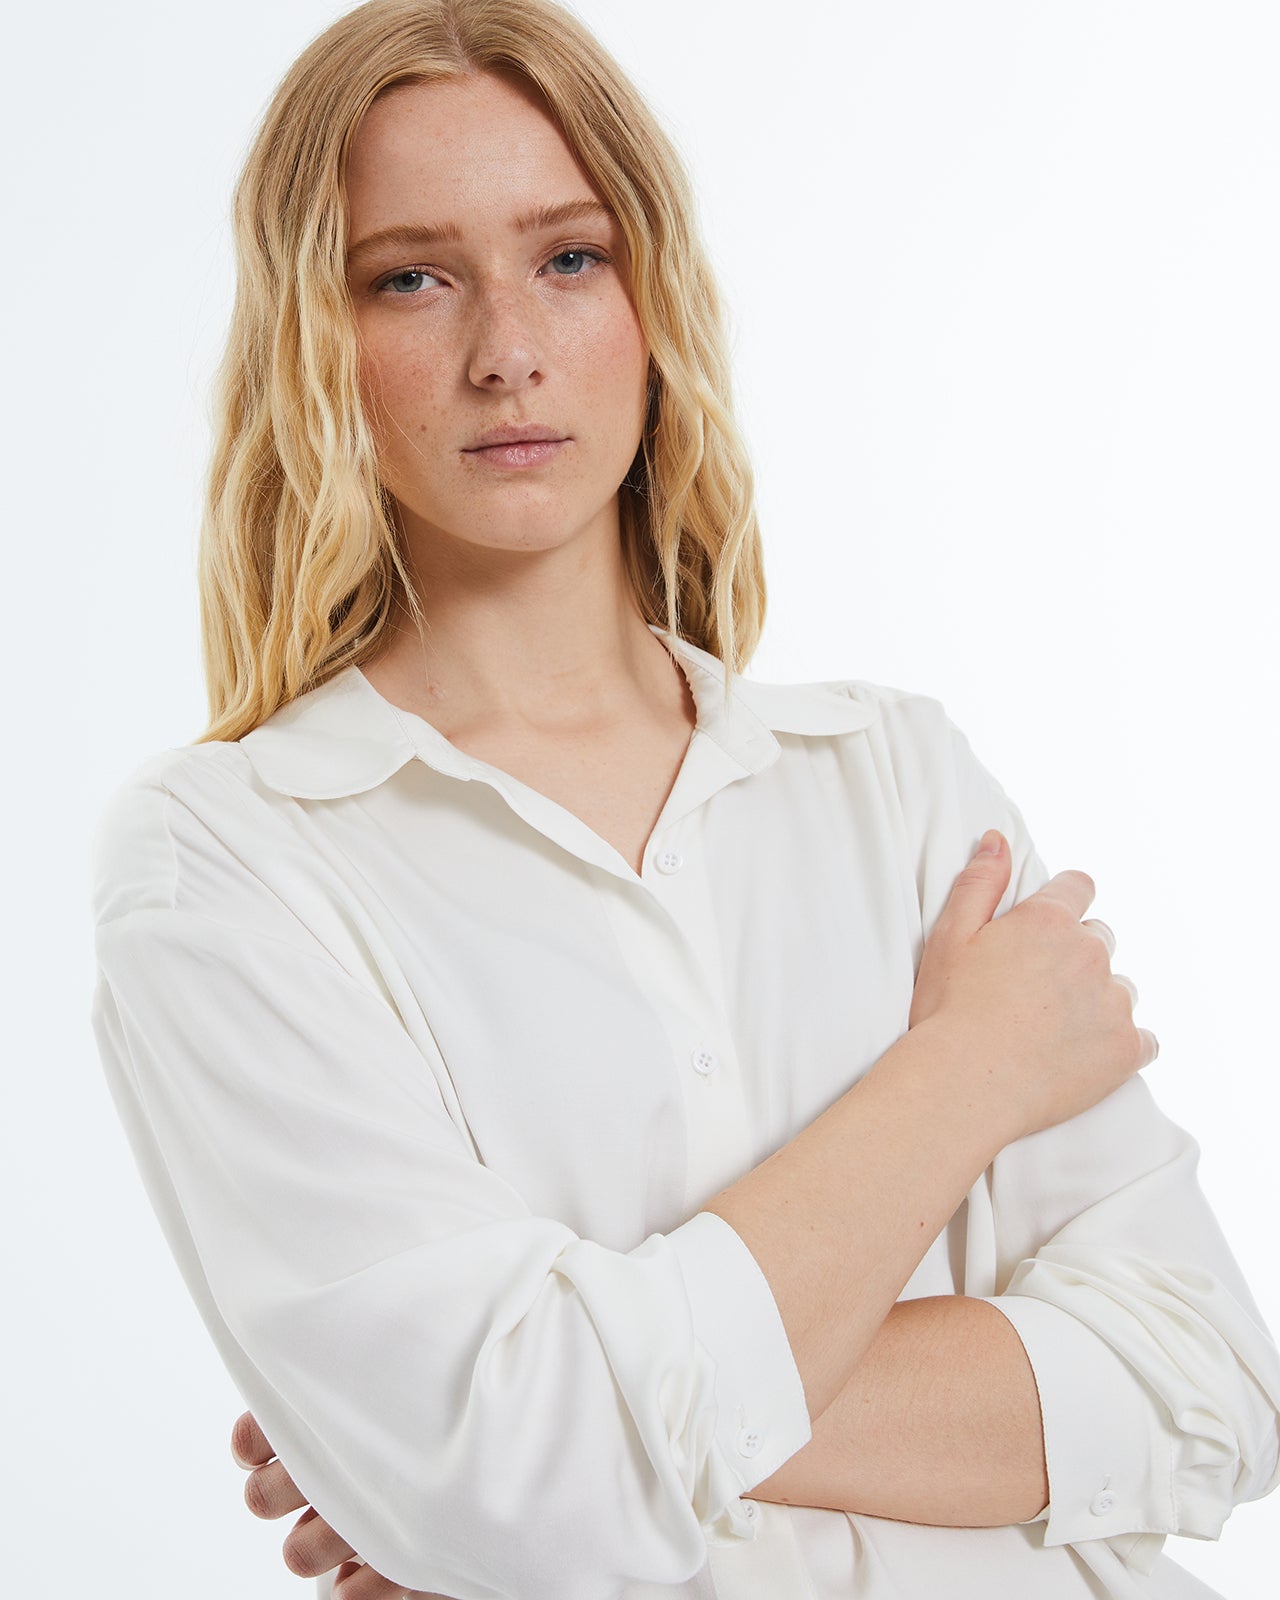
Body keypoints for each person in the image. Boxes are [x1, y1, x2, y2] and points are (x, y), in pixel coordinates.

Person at [87, 2, 1280, 1598]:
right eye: (413, 275)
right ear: (317, 331)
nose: (507, 347)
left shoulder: (892, 777)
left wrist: (543, 1428)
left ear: (650, 294)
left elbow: (1208, 1382)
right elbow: (525, 1472)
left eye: (568, 257)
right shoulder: (228, 862)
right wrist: (971, 1070)